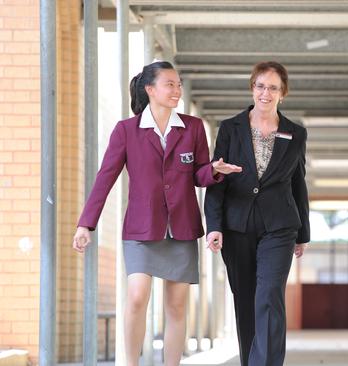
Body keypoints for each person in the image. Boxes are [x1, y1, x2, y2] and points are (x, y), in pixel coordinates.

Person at [72, 61, 241, 366]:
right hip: (140, 228)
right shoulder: (127, 130)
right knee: (137, 296)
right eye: (170, 84)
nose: (177, 90)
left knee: (176, 307)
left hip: (182, 228)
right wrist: (87, 223)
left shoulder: (192, 128)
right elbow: (105, 177)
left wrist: (214, 171)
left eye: (178, 84)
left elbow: (198, 175)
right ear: (150, 89)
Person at [204, 61, 310, 366]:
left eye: (273, 87)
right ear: (252, 88)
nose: (266, 93)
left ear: (283, 93)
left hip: (279, 226)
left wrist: (302, 234)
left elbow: (297, 183)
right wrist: (214, 225)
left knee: (269, 295)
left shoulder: (295, 133)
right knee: (247, 299)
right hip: (237, 224)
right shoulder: (230, 128)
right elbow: (217, 179)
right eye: (260, 86)